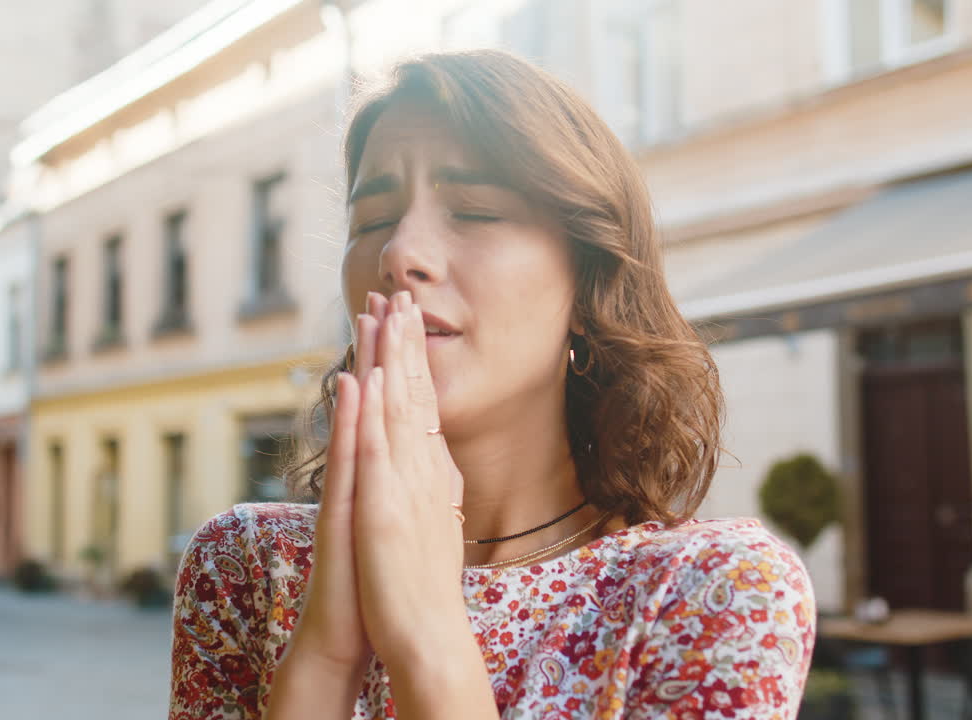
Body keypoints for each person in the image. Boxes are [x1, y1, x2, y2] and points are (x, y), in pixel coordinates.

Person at [170, 50, 815, 719]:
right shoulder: (251, 566)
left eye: (475, 210)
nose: (398, 254)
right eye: (372, 223)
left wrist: (428, 641)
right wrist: (326, 658)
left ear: (589, 278)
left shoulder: (711, 589)